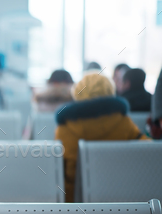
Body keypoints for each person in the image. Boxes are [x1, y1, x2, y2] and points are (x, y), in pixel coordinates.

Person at [55, 73, 150, 202]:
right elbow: (149, 151)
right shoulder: (124, 123)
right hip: (122, 202)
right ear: (110, 91)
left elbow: (57, 170)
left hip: (75, 205)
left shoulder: (64, 129)